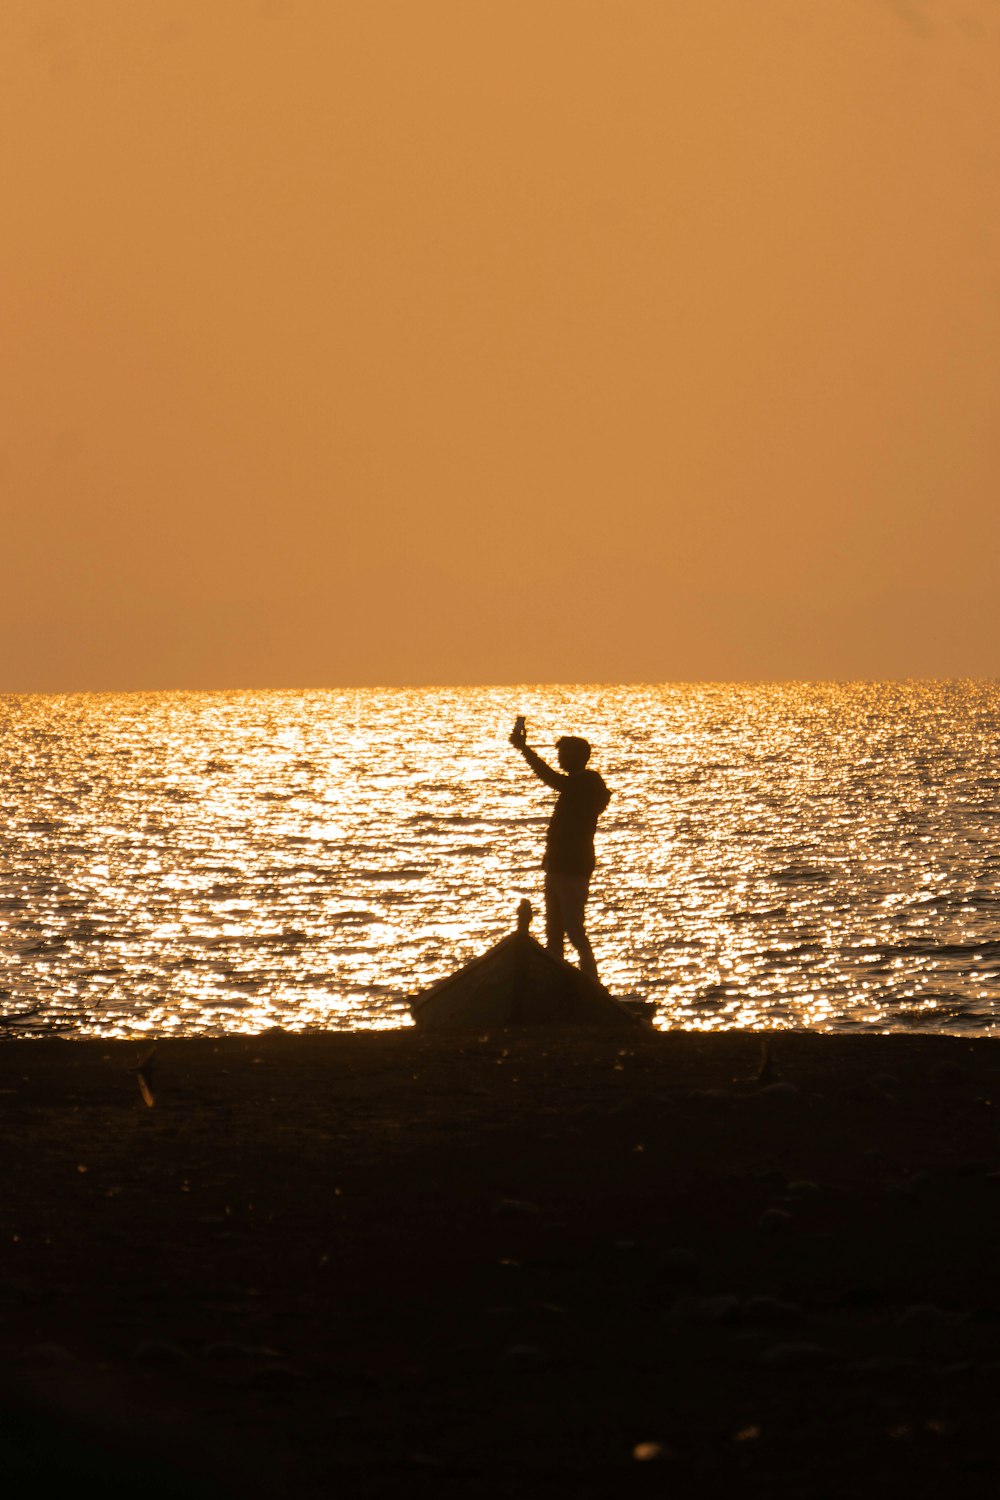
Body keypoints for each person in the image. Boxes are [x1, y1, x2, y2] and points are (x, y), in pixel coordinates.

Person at [509, 719, 611, 983]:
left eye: (565, 753)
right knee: (553, 931)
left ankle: (590, 982)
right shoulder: (576, 786)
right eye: (559, 753)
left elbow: (551, 779)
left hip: (572, 868)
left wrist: (525, 750)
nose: (560, 758)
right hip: (557, 867)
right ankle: (557, 980)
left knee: (574, 929)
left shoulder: (586, 783)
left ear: (580, 757)